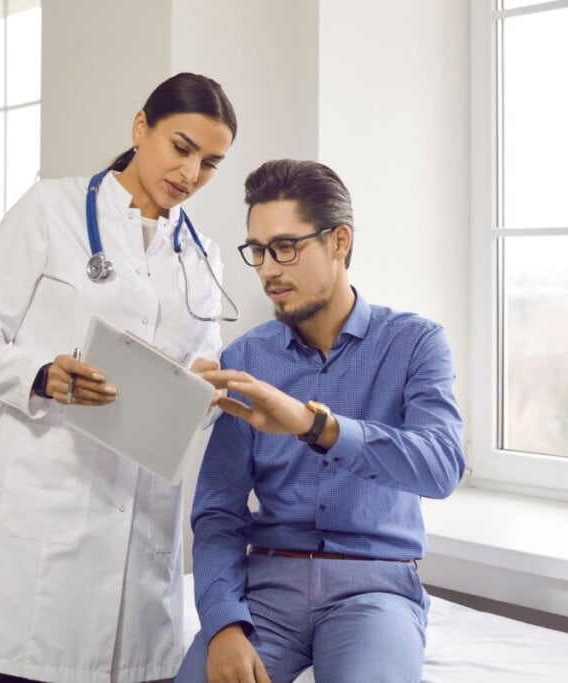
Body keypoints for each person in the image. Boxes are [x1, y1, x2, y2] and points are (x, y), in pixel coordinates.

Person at [0, 72, 238, 683]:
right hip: (50, 508)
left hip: (142, 528)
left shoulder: (202, 254)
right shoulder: (51, 210)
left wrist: (206, 393)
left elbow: (197, 381)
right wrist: (43, 375)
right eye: (181, 148)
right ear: (140, 127)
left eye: (210, 163)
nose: (190, 173)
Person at [177, 159, 466, 683]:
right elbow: (217, 511)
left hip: (376, 589)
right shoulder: (248, 357)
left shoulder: (415, 343)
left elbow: (442, 467)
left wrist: (316, 426)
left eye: (286, 247)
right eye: (258, 251)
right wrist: (222, 625)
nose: (268, 268)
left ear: (339, 242)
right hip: (267, 591)